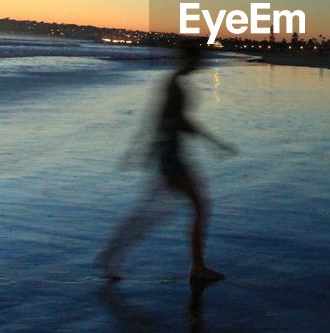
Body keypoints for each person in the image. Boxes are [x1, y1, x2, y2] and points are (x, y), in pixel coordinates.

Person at [98, 40, 235, 282]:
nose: (200, 63)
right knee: (193, 207)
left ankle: (111, 254)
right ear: (188, 59)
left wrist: (140, 149)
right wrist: (215, 142)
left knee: (152, 213)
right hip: (171, 157)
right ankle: (196, 267)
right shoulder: (176, 85)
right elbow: (179, 121)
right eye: (198, 59)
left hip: (169, 155)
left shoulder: (173, 82)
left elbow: (158, 118)